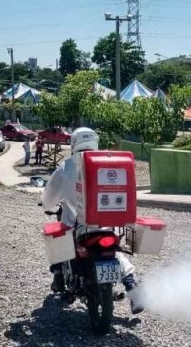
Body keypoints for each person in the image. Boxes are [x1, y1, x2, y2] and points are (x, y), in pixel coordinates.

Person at [41, 127, 144, 314]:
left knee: (58, 239)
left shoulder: (67, 167)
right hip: (106, 224)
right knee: (115, 251)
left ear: (73, 144)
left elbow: (49, 198)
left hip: (77, 227)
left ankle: (58, 275)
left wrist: (45, 203)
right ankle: (132, 286)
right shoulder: (107, 164)